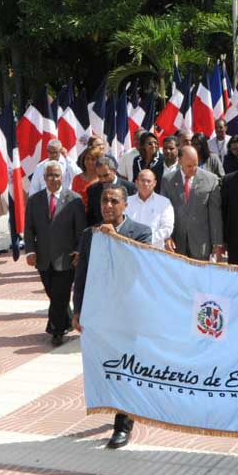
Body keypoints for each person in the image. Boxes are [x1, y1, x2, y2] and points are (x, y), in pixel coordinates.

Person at [73, 183, 153, 448]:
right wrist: (78, 309)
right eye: (104, 201)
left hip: (129, 314)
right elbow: (82, 274)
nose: (108, 206)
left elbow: (138, 266)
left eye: (114, 201)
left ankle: (123, 425)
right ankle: (120, 405)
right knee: (107, 365)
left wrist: (115, 239)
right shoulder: (90, 234)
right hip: (101, 314)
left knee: (126, 366)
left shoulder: (141, 232)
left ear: (125, 205)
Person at [23, 161, 86, 347]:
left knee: (60, 295)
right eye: (49, 175)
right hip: (43, 258)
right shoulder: (34, 200)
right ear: (44, 178)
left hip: (66, 259)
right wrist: (30, 251)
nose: (53, 179)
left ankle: (55, 331)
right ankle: (66, 320)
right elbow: (29, 229)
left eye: (57, 175)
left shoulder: (74, 200)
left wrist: (78, 251)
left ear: (62, 177)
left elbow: (80, 230)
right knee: (54, 295)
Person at [164, 145, 224, 261]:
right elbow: (164, 213)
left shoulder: (211, 180)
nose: (194, 169)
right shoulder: (168, 180)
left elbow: (215, 215)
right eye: (189, 166)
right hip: (176, 243)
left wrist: (217, 244)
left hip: (201, 244)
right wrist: (167, 237)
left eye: (196, 164)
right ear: (179, 162)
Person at [124, 169, 174, 247]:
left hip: (155, 248)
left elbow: (167, 228)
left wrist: (147, 240)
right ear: (136, 183)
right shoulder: (126, 202)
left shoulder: (164, 203)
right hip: (130, 247)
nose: (145, 184)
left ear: (154, 183)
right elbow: (122, 224)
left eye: (149, 181)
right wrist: (135, 241)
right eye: (142, 180)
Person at [85, 156, 137, 227]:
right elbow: (91, 217)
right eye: (99, 176)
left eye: (106, 175)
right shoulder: (93, 190)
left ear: (114, 171)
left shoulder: (130, 188)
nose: (103, 180)